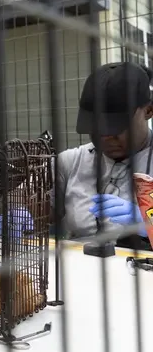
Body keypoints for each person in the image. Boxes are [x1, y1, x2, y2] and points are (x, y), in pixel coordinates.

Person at [53, 61, 153, 250]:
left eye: (117, 125)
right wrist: (17, 213)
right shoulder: (71, 162)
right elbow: (27, 199)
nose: (106, 136)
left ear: (148, 110)